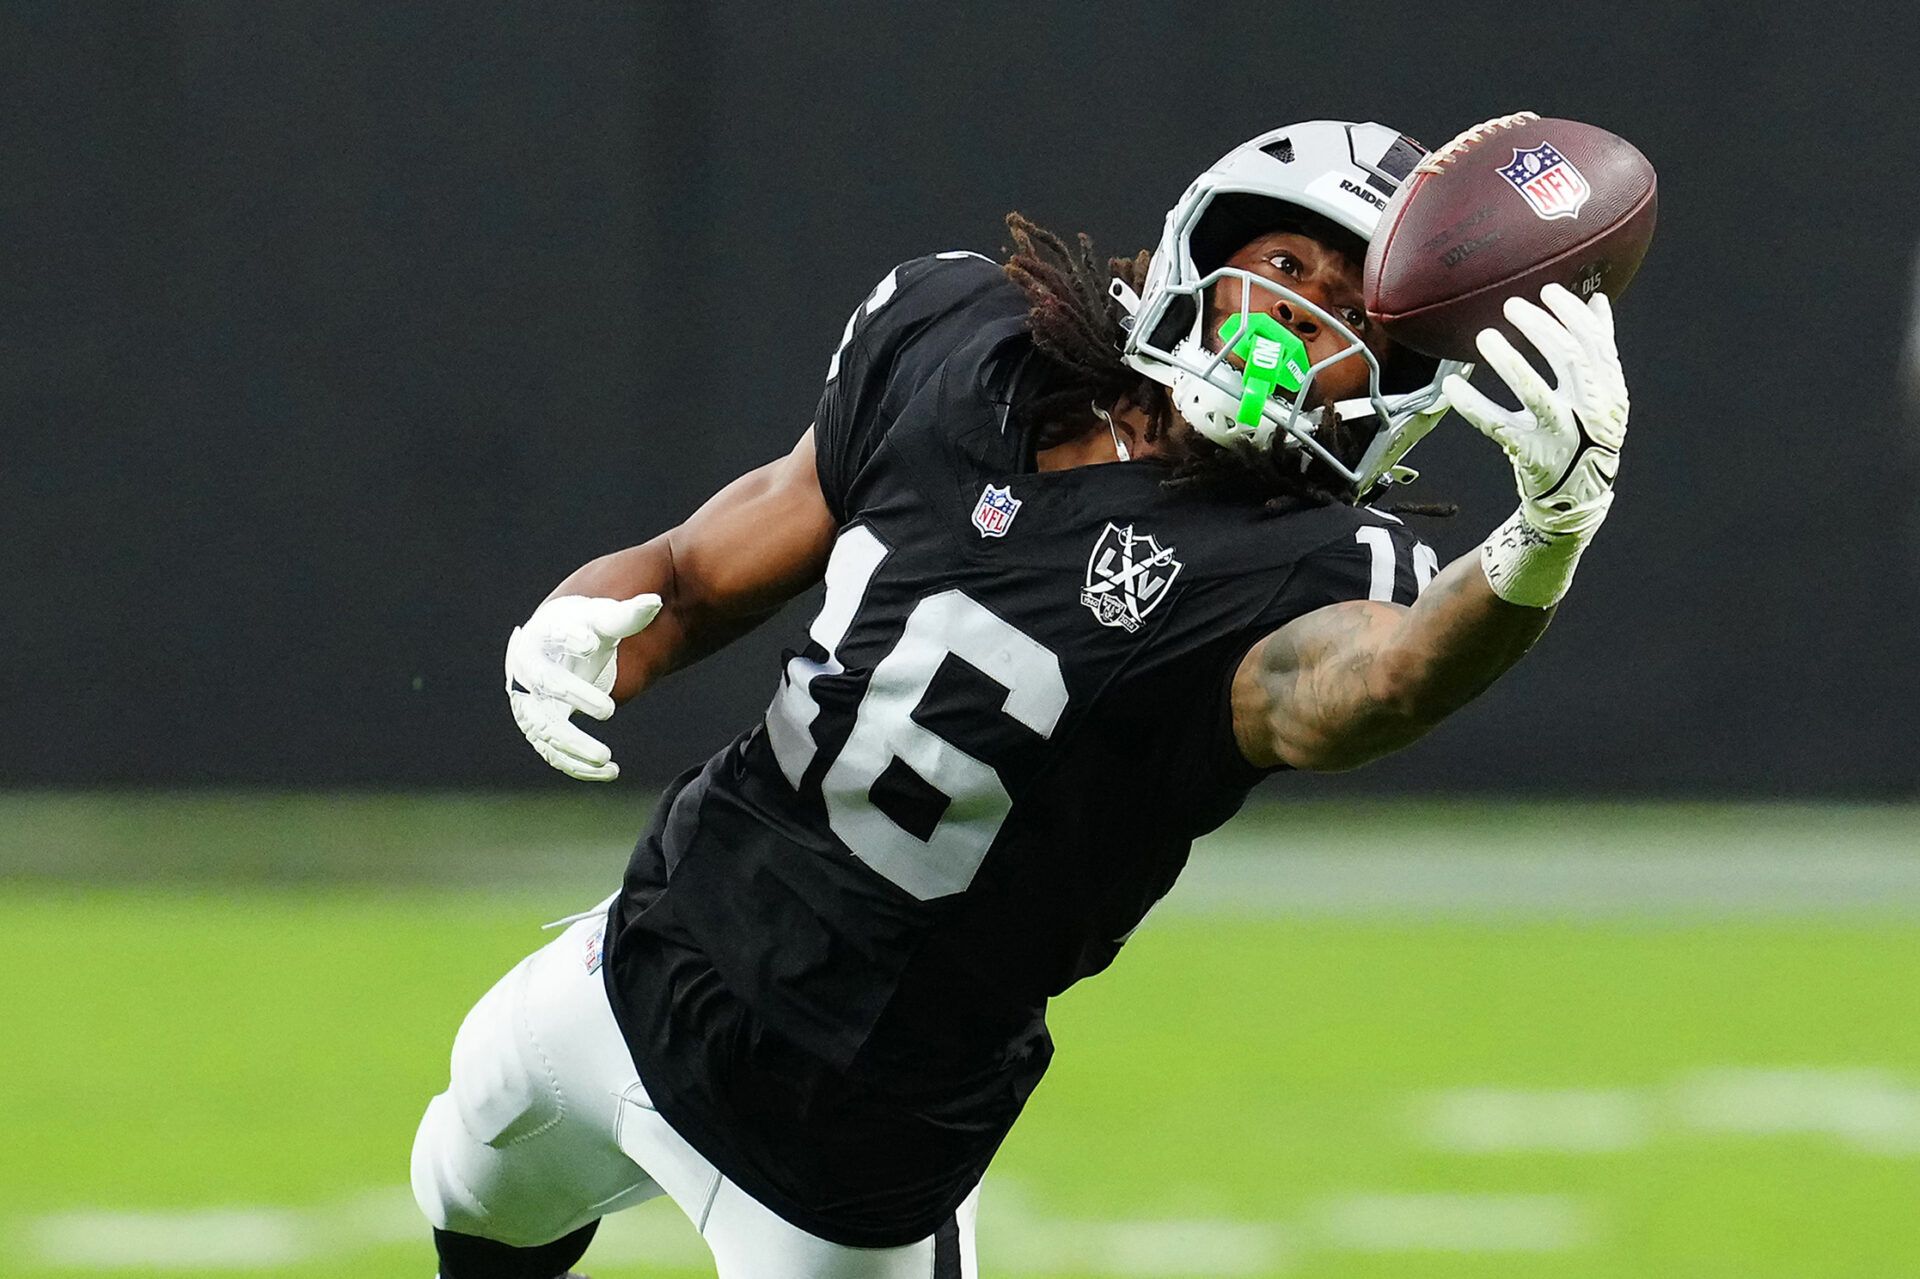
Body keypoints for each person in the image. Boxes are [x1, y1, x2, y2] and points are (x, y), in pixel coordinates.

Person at [410, 118, 1632, 1279]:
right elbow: (691, 576)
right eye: (1285, 262)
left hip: (853, 1140)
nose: (1297, 319)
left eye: (1350, 314)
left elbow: (1381, 679)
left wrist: (1543, 538)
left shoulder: (1302, 564)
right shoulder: (963, 342)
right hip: (649, 957)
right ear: (1196, 252)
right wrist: (584, 621)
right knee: (461, 1180)